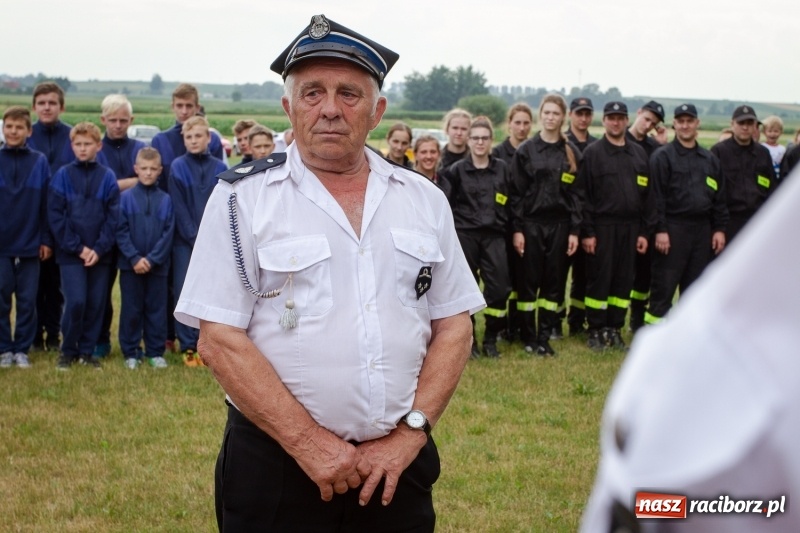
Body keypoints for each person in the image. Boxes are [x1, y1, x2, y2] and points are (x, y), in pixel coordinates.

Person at [175, 14, 484, 532]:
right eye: (312, 93)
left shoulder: (423, 199)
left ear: (378, 110)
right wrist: (308, 443)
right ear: (288, 108)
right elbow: (219, 337)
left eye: (349, 93)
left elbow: (454, 324)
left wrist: (410, 435)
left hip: (394, 471)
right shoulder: (241, 199)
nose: (331, 110)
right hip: (278, 466)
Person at [581, 164, 800, 533]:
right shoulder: (711, 358)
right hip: (658, 228)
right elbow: (646, 502)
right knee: (656, 290)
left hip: (702, 229)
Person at [508, 94, 581, 356]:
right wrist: (517, 229)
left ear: (563, 117)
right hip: (531, 225)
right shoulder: (526, 151)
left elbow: (576, 197)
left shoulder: (571, 152)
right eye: (547, 112)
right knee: (529, 282)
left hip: (560, 225)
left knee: (554, 283)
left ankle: (545, 335)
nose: (551, 117)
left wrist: (574, 230)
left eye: (556, 113)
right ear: (541, 115)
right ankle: (528, 336)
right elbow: (516, 194)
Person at [644, 104, 728, 326]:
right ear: (674, 124)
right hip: (673, 229)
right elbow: (656, 198)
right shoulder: (662, 157)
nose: (685, 125)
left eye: (689, 121)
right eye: (680, 121)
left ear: (697, 124)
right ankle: (655, 334)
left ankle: (688, 335)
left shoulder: (710, 160)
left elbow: (719, 198)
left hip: (701, 231)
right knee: (664, 286)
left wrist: (719, 228)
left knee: (695, 289)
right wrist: (660, 230)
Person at [580, 102, 654, 352]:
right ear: (604, 121)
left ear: (626, 120)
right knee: (600, 279)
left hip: (631, 227)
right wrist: (588, 233)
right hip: (602, 226)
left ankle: (614, 327)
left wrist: (643, 232)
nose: (616, 122)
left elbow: (647, 197)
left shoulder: (638, 154)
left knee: (623, 281)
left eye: (620, 118)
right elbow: (585, 196)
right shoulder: (593, 153)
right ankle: (596, 329)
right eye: (611, 118)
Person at [48, 122, 119, 370]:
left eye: (87, 144)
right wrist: (78, 248)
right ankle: (67, 351)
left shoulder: (108, 177)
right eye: (77, 144)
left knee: (96, 303)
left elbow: (113, 217)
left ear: (98, 146)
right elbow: (56, 216)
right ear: (72, 146)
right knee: (76, 301)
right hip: (71, 255)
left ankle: (87, 352)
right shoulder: (62, 175)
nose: (82, 148)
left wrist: (98, 249)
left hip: (101, 255)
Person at [439, 116, 511, 358]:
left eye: (485, 138)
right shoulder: (456, 170)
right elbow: (445, 206)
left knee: (500, 289)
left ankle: (491, 338)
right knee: (466, 293)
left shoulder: (502, 168)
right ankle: (469, 342)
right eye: (475, 138)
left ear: (492, 140)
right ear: (468, 141)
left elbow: (513, 202)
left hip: (495, 236)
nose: (480, 142)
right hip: (465, 237)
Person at [168, 115, 227, 366]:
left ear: (208, 138)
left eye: (198, 136)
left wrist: (211, 239)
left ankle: (211, 344)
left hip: (215, 241)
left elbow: (224, 206)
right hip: (185, 241)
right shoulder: (177, 167)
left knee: (213, 292)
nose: (193, 141)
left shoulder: (220, 168)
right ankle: (188, 346)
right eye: (188, 137)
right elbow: (179, 208)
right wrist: (195, 238)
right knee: (185, 290)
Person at [94, 93, 147, 358]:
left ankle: (133, 343)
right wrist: (133, 181)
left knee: (133, 296)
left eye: (123, 120)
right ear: (103, 119)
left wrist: (116, 184)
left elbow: (149, 180)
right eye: (112, 120)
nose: (117, 125)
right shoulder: (96, 149)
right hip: (101, 231)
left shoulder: (139, 148)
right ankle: (99, 340)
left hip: (133, 234)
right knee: (101, 293)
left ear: (131, 120)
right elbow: (102, 189)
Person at [0, 107, 52, 369]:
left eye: (19, 127)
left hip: (31, 244)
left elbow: (45, 203)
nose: (13, 131)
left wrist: (45, 238)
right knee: (1, 297)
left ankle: (22, 349)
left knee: (27, 300)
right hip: (2, 245)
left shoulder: (39, 161)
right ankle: (4, 349)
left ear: (29, 131)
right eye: (8, 126)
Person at [116, 148, 175, 369]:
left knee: (156, 309)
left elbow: (168, 233)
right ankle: (130, 351)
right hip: (131, 267)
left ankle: (154, 351)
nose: (148, 173)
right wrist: (134, 258)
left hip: (157, 267)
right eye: (144, 169)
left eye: (153, 169)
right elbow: (120, 231)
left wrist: (152, 259)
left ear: (159, 170)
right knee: (131, 308)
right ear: (136, 169)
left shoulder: (166, 200)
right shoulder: (125, 198)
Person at [28, 82, 72, 352]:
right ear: (34, 106)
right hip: (31, 220)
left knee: (56, 285)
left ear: (61, 106)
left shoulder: (71, 136)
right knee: (32, 284)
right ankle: (33, 335)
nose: (46, 107)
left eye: (52, 103)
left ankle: (54, 333)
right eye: (41, 102)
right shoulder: (26, 135)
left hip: (63, 219)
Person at [492, 103, 533, 342]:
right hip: (502, 224)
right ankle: (501, 327)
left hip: (526, 223)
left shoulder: (533, 151)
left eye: (526, 123)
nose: (521, 127)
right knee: (503, 278)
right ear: (509, 125)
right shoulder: (498, 153)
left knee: (523, 277)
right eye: (517, 122)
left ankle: (517, 326)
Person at [625, 100, 665, 333]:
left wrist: (662, 145)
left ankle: (636, 320)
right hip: (621, 218)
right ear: (638, 113)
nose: (648, 125)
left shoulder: (654, 149)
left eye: (654, 123)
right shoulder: (620, 140)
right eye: (646, 118)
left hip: (645, 220)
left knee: (643, 274)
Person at [710, 105, 776, 244]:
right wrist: (718, 228)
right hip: (729, 222)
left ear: (755, 127)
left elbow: (772, 189)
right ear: (732, 124)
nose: (745, 127)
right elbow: (711, 193)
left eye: (749, 123)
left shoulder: (763, 153)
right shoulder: (718, 152)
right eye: (741, 123)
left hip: (757, 222)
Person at [565, 97, 599, 337]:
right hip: (563, 219)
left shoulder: (597, 146)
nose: (583, 118)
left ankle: (578, 320)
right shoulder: (562, 142)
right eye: (579, 113)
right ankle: (555, 321)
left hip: (589, 217)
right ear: (571, 115)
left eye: (587, 114)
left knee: (584, 274)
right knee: (556, 276)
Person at [151, 83, 226, 190]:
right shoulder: (160, 140)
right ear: (173, 107)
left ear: (197, 108)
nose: (184, 111)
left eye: (189, 106)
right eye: (179, 106)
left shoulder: (213, 140)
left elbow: (217, 180)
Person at [760, 115, 786, 179]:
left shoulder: (783, 149)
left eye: (776, 131)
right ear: (764, 132)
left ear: (781, 132)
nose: (772, 134)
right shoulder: (761, 147)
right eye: (770, 131)